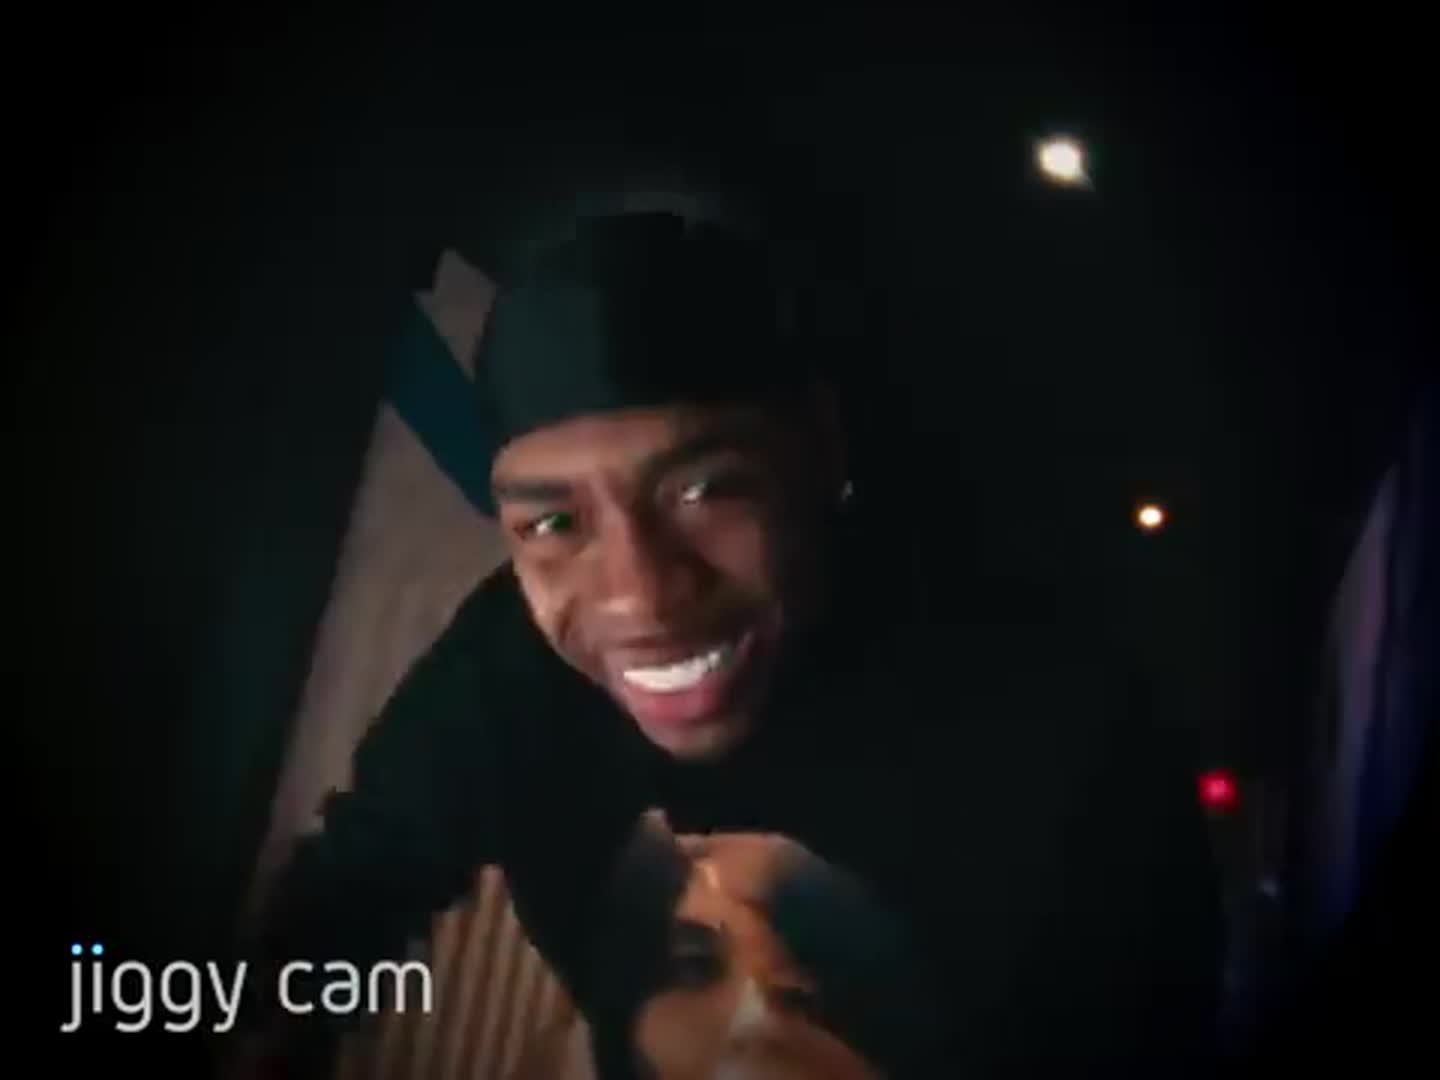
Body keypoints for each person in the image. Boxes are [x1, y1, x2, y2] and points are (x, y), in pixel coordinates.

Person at [232, 186, 1224, 1078]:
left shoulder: (1064, 723)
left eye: (704, 489)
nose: (640, 599)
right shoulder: (509, 665)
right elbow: (353, 887)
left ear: (819, 450)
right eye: (554, 523)